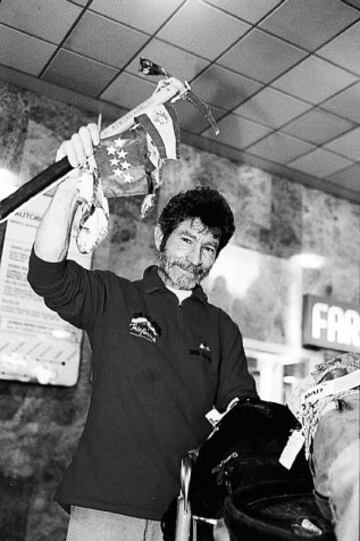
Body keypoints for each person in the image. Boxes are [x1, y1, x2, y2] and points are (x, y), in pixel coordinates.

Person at [27, 123, 258, 541]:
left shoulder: (223, 330)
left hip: (185, 516)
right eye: (186, 240)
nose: (195, 257)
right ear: (160, 237)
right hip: (104, 507)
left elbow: (242, 416)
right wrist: (66, 186)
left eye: (208, 248)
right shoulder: (115, 298)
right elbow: (46, 274)